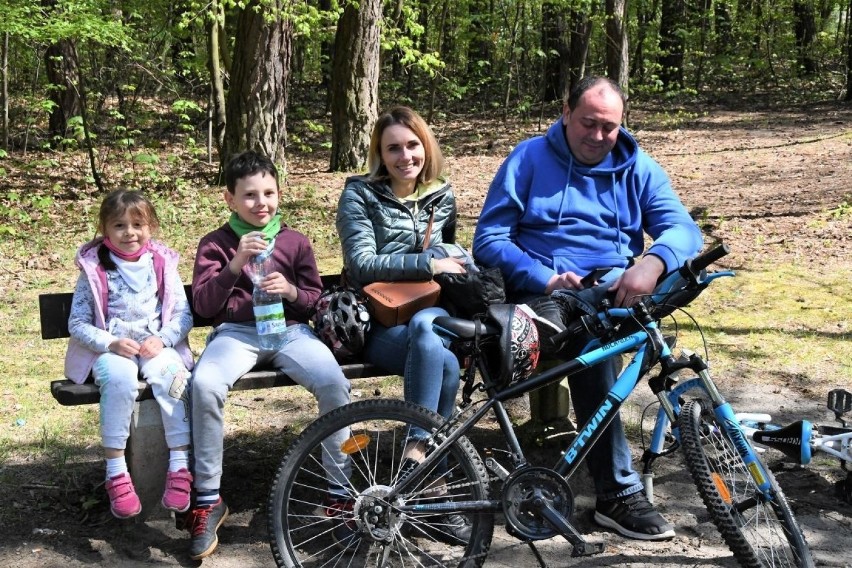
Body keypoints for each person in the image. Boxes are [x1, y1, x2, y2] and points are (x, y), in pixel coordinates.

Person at [472, 76, 703, 541]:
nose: (598, 136)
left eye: (609, 127)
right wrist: (546, 277)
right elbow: (489, 240)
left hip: (617, 291)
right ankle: (616, 493)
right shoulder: (529, 158)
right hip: (542, 296)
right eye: (588, 123)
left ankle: (606, 465)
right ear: (565, 112)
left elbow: (683, 229)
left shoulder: (638, 168)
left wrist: (652, 263)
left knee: (640, 330)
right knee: (593, 342)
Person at [188, 151, 351, 559]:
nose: (261, 203)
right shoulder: (216, 244)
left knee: (334, 383)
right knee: (205, 385)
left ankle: (341, 492)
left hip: (291, 333)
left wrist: (292, 292)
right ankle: (208, 497)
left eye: (269, 193)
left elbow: (314, 299)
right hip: (237, 334)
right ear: (229, 199)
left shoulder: (295, 241)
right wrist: (236, 262)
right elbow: (204, 307)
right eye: (250, 196)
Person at [335, 106, 471, 542]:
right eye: (393, 147)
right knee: (445, 362)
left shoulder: (440, 194)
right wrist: (430, 260)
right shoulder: (359, 194)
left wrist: (458, 256)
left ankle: (418, 459)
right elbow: (362, 263)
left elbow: (449, 258)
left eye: (412, 145)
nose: (404, 156)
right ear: (380, 153)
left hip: (426, 311)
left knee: (429, 330)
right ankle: (433, 479)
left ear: (425, 147)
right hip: (376, 321)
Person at [65, 188, 194, 520]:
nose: (129, 233)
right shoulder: (95, 267)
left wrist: (163, 339)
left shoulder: (162, 262)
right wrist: (109, 342)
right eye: (119, 225)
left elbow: (183, 314)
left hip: (155, 347)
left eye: (138, 224)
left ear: (151, 226)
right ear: (105, 229)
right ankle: (116, 471)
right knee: (120, 381)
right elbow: (77, 322)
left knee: (174, 377)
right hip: (113, 352)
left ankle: (179, 466)